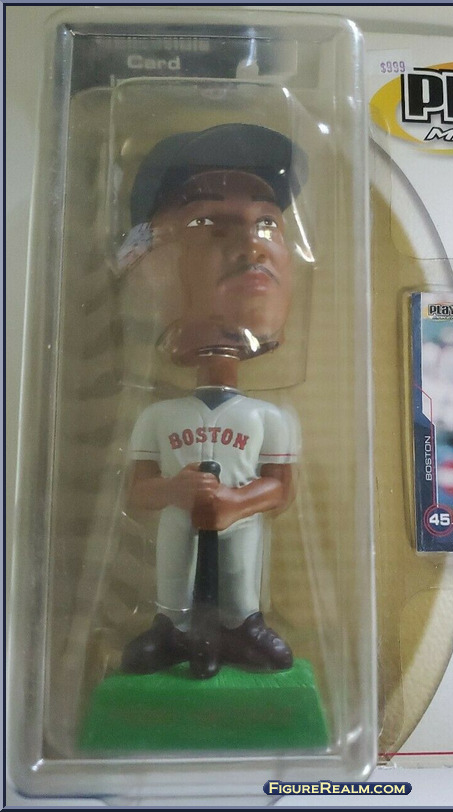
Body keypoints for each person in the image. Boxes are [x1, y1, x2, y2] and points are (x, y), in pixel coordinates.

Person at [119, 124, 307, 678]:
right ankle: (173, 630)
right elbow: (138, 489)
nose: (253, 246)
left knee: (241, 576)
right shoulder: (159, 415)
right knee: (174, 572)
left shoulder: (267, 416)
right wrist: (175, 491)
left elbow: (280, 488)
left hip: (239, 524)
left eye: (268, 223)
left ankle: (241, 626)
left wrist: (235, 503)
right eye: (207, 224)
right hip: (179, 525)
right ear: (146, 264)